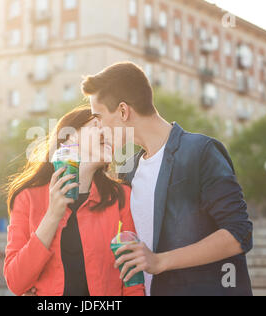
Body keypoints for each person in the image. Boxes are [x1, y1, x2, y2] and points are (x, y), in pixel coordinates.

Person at [82, 62, 253, 296]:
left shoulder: (200, 151)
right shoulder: (127, 171)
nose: (98, 128)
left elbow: (238, 234)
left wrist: (160, 261)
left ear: (123, 111)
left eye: (99, 117)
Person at [3, 105, 144, 296]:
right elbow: (16, 281)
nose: (107, 134)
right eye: (96, 125)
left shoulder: (121, 196)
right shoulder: (27, 197)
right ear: (70, 138)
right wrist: (53, 215)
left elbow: (132, 281)